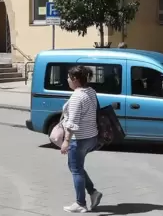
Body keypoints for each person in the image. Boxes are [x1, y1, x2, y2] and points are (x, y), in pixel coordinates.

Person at [61, 65, 103, 213]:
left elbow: (73, 123)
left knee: (76, 170)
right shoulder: (91, 92)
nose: (67, 80)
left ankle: (81, 203)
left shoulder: (76, 97)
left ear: (75, 79)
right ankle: (93, 192)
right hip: (92, 136)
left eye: (68, 77)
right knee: (76, 167)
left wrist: (66, 141)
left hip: (79, 139)